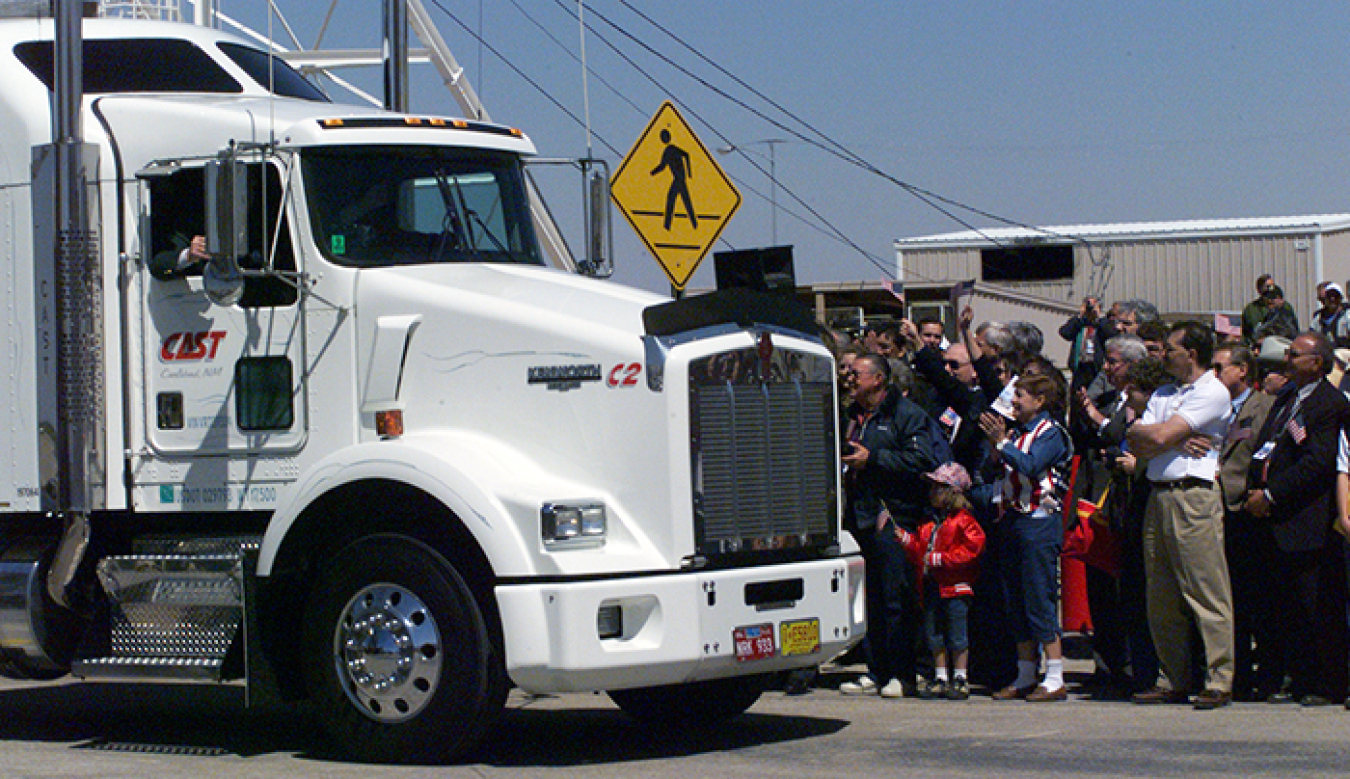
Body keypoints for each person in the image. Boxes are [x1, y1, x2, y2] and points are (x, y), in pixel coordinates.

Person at [1127, 321, 1235, 709]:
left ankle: (1220, 678)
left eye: (1170, 348)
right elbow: (1137, 437)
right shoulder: (1163, 392)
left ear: (1190, 353)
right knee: (1161, 595)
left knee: (1206, 589)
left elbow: (1154, 437)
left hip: (1193, 496)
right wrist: (1166, 438)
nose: (1164, 355)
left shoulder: (1211, 392)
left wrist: (1162, 437)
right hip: (1159, 495)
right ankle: (1173, 676)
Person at [1243, 331, 1350, 706]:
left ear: (1316, 362)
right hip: (1270, 519)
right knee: (1282, 605)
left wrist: (1272, 493)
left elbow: (1318, 462)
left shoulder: (1329, 404)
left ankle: (1325, 682)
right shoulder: (1287, 397)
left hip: (1306, 520)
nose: (1286, 360)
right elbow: (1268, 446)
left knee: (1315, 606)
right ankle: (1294, 675)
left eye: (1294, 354)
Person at [839, 354, 943, 699]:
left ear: (879, 379)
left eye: (856, 373)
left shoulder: (907, 415)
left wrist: (874, 459)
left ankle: (906, 672)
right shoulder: (850, 414)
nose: (850, 378)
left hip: (893, 516)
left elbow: (923, 460)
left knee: (897, 596)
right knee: (867, 596)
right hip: (857, 517)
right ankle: (876, 669)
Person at [980, 373, 1073, 702]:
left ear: (1040, 401)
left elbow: (1032, 465)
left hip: (1039, 522)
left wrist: (1002, 444)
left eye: (1020, 396)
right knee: (1015, 599)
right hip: (1011, 520)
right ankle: (1025, 673)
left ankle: (1055, 675)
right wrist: (995, 449)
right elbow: (990, 471)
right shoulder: (1015, 433)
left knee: (1038, 596)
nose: (1014, 402)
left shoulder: (1052, 434)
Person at [1210, 344, 1280, 701]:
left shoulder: (1263, 406)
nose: (1215, 374)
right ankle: (1232, 674)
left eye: (1220, 367)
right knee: (1228, 596)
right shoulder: (1212, 407)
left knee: (1257, 597)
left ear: (1242, 370)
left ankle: (1267, 675)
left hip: (1246, 510)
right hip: (1214, 507)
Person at [893, 462, 986, 701]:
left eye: (939, 488)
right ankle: (941, 676)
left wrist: (941, 559)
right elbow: (920, 552)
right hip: (933, 586)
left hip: (956, 587)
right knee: (934, 634)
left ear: (953, 492)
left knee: (957, 634)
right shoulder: (928, 523)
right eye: (932, 488)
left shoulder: (964, 521)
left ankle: (961, 677)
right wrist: (906, 541)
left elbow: (973, 548)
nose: (932, 492)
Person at [1242, 274, 1276, 345]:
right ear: (1259, 290)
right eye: (1268, 287)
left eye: (1273, 286)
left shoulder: (1284, 307)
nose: (1271, 289)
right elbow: (1248, 333)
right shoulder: (1251, 309)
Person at [1312, 282, 1349, 346]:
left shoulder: (1347, 315)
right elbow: (1311, 335)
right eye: (1329, 296)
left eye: (1335, 296)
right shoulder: (1318, 317)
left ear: (1341, 298)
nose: (1332, 299)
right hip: (1324, 351)